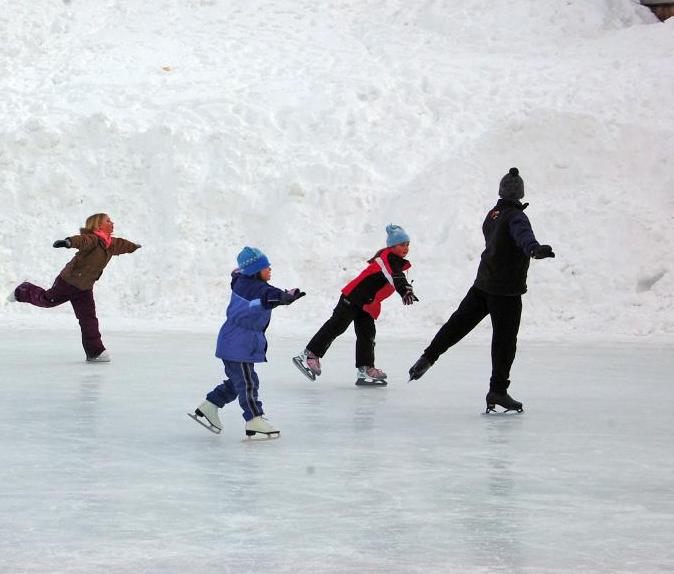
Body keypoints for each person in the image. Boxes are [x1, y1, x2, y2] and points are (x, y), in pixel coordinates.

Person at [408, 168, 555, 413]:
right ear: (520, 193)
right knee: (504, 343)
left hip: (483, 284)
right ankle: (498, 390)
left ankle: (428, 356)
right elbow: (523, 235)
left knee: (457, 324)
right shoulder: (516, 216)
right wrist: (534, 249)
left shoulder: (493, 214)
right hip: (506, 292)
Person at [188, 247, 306, 439]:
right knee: (248, 382)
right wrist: (282, 297)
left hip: (236, 341)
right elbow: (266, 295)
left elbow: (262, 293)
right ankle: (254, 418)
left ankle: (210, 405)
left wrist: (282, 296)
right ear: (255, 271)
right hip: (238, 343)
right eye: (265, 267)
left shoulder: (243, 282)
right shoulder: (251, 288)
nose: (270, 269)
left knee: (239, 382)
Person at [293, 224, 418, 386]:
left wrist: (405, 288)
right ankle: (309, 355)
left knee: (367, 334)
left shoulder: (395, 261)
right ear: (392, 246)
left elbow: (396, 276)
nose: (406, 248)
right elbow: (395, 276)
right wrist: (404, 289)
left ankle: (365, 369)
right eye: (402, 244)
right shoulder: (388, 258)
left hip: (367, 304)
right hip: (353, 297)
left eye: (407, 245)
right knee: (337, 326)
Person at [9, 213, 140, 363]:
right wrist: (68, 242)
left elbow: (123, 244)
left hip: (85, 288)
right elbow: (81, 240)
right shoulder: (93, 239)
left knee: (88, 320)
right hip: (68, 282)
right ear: (98, 225)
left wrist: (134, 246)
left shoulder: (111, 244)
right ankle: (23, 290)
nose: (112, 223)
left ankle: (95, 352)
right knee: (46, 300)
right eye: (108, 221)